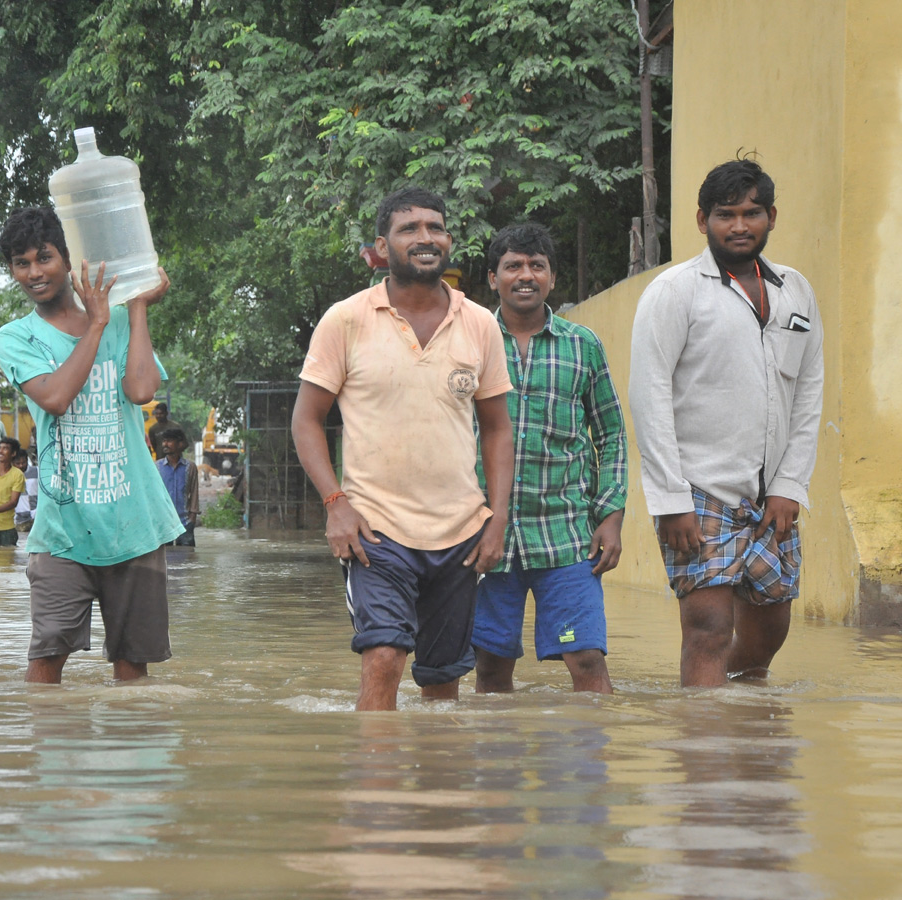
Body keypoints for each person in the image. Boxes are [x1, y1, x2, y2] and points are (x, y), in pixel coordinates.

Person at [291, 187, 515, 711]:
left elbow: (498, 430)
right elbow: (306, 419)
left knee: (442, 685)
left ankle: (436, 790)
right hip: (375, 529)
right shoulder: (345, 320)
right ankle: (376, 790)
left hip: (460, 531)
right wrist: (335, 504)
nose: (425, 238)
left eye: (434, 228)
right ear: (381, 245)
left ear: (449, 241)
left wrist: (497, 518)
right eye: (409, 229)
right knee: (384, 657)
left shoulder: (480, 324)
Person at [628, 159, 824, 687]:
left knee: (768, 634)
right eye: (725, 214)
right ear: (701, 220)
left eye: (751, 213)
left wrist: (790, 486)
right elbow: (648, 398)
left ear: (772, 216)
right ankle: (706, 759)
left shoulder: (796, 291)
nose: (740, 225)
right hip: (698, 491)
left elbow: (808, 394)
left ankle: (747, 740)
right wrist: (671, 500)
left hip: (771, 499)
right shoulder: (674, 292)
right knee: (708, 630)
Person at [0, 207, 179, 684]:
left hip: (134, 523)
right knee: (46, 659)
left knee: (132, 667)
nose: (34, 272)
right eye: (21, 263)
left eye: (45, 258)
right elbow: (54, 397)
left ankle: (130, 755)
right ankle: (54, 757)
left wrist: (134, 307)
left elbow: (141, 391)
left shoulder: (119, 320)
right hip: (62, 529)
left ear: (69, 258)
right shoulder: (16, 337)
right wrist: (95, 325)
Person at [472, 223, 627, 695]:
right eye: (513, 266)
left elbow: (612, 433)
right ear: (493, 278)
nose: (525, 276)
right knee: (491, 669)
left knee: (587, 662)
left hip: (566, 534)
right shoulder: (469, 342)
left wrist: (611, 516)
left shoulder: (583, 345)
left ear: (552, 279)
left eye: (536, 266)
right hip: (483, 535)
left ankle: (583, 767)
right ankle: (495, 767)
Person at [156, 427, 199, 547]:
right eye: (164, 441)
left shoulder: (190, 467)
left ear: (179, 444)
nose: (165, 444)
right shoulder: (156, 467)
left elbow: (194, 493)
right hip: (163, 523)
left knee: (187, 560)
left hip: (185, 522)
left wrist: (192, 517)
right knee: (165, 560)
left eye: (169, 441)